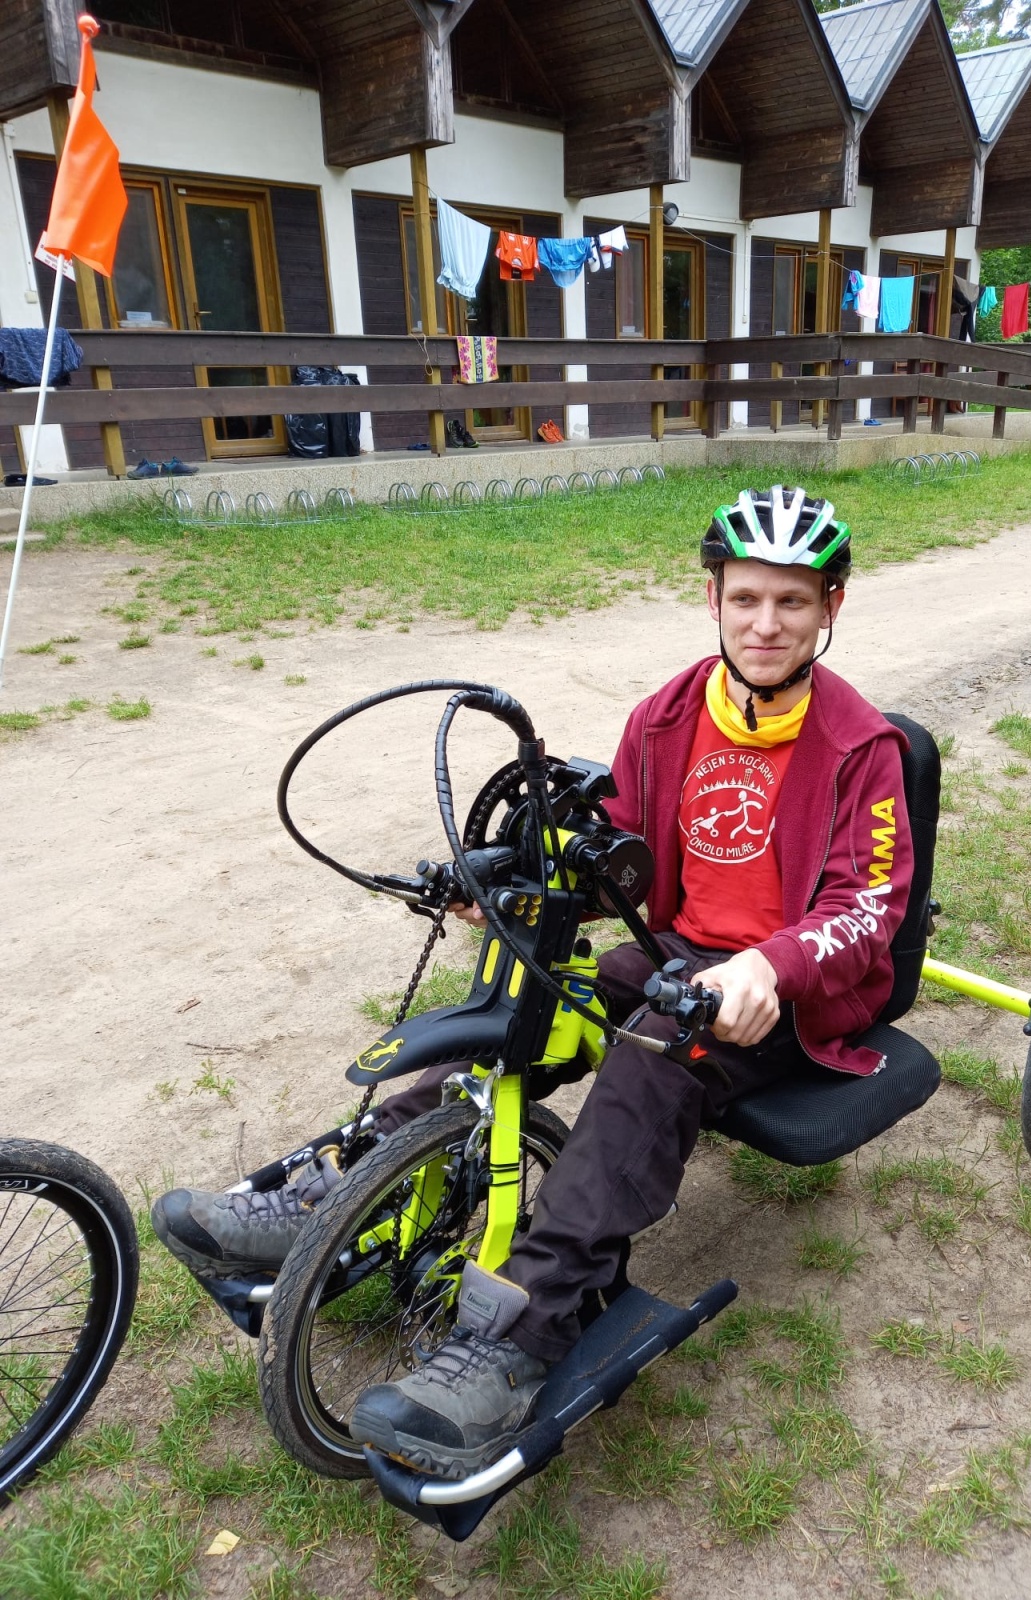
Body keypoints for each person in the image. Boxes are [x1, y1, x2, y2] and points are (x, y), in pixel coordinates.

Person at [153, 485, 912, 1482]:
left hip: (783, 993)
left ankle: (521, 1336)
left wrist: (767, 965)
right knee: (525, 994)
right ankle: (339, 1188)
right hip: (674, 943)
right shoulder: (670, 715)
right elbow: (619, 858)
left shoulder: (860, 745)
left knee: (655, 1057)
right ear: (713, 598)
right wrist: (511, 887)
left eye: (792, 602)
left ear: (831, 607)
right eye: (745, 599)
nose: (765, 624)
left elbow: (867, 907)